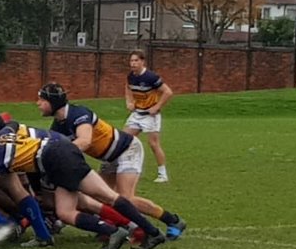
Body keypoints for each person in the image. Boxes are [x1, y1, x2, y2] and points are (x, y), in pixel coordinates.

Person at [0, 127, 168, 249]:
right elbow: (10, 129)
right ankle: (148, 232)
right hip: (62, 150)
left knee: (78, 207)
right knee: (97, 200)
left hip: (54, 158)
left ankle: (118, 231)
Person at [37, 83, 186, 240]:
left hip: (127, 149)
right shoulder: (58, 125)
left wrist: (61, 154)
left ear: (53, 102)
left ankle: (172, 220)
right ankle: (120, 227)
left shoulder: (78, 114)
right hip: (110, 157)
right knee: (101, 197)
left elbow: (85, 141)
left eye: (41, 100)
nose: (38, 103)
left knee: (125, 198)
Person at [124, 50, 174, 183]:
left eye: (136, 61)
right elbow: (128, 88)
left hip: (150, 116)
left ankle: (162, 174)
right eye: (131, 61)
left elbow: (168, 92)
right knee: (123, 140)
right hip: (137, 114)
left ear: (142, 61)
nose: (133, 64)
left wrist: (157, 107)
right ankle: (125, 168)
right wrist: (129, 102)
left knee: (153, 144)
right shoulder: (131, 76)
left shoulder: (151, 77)